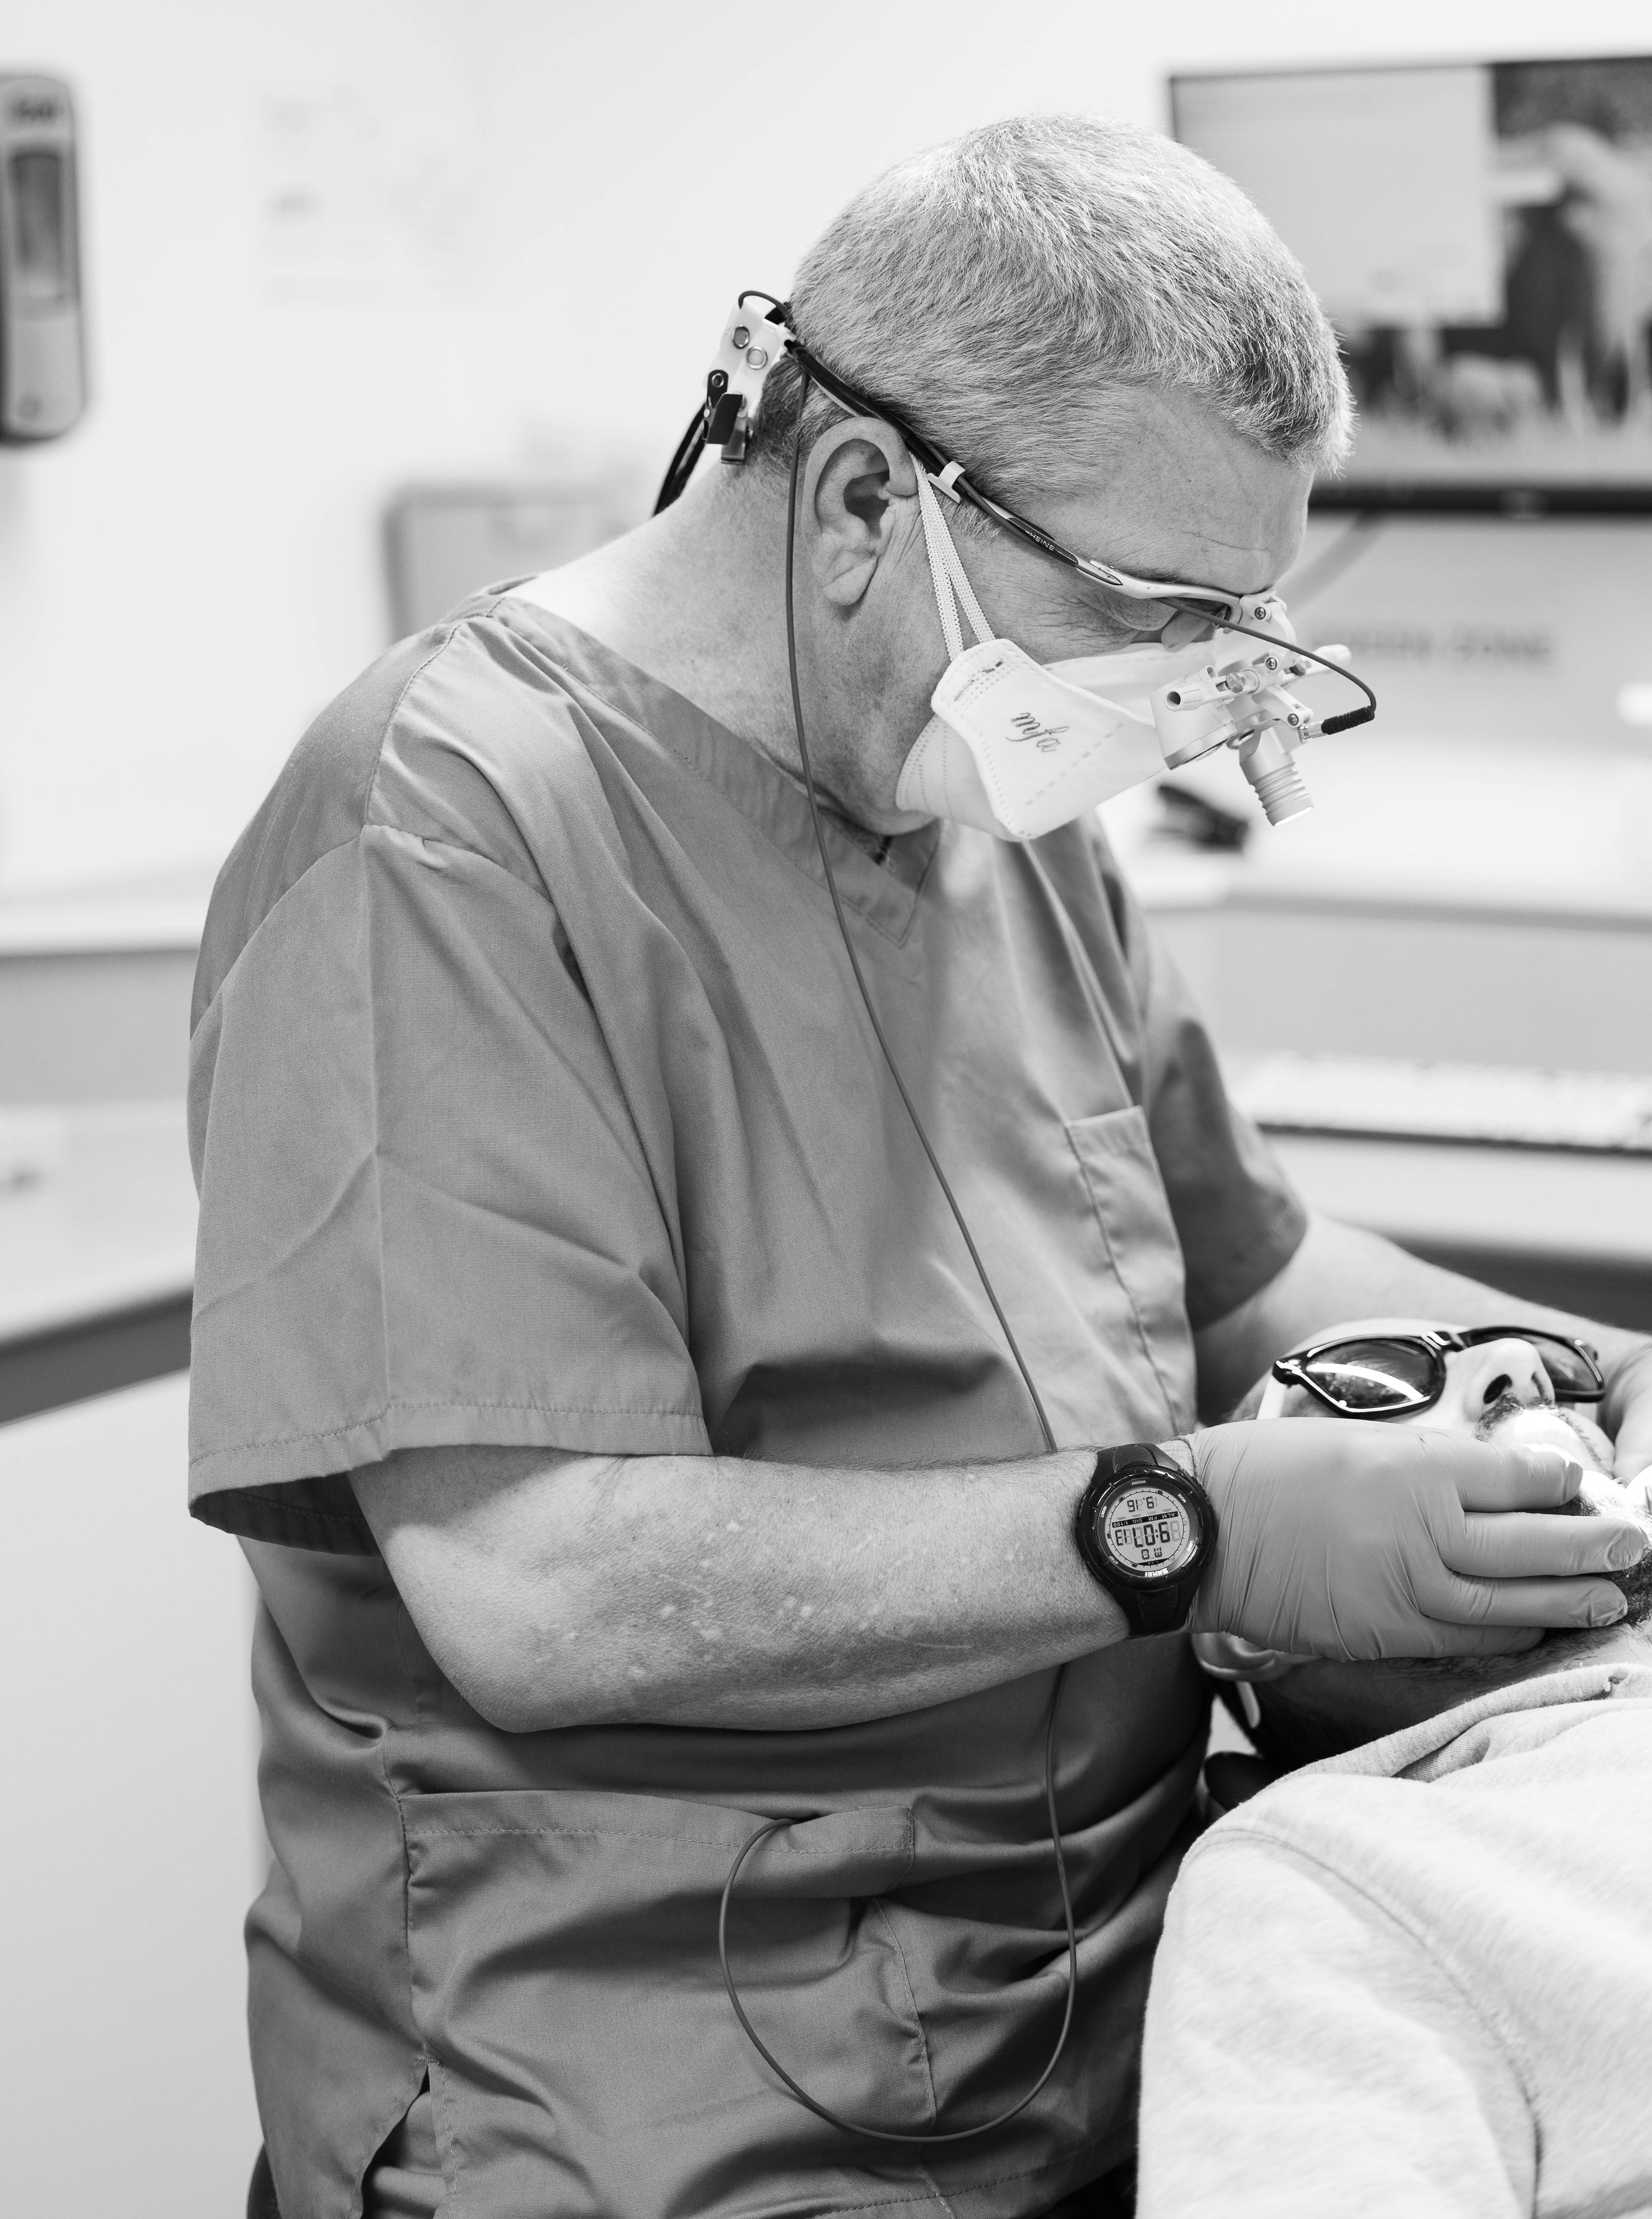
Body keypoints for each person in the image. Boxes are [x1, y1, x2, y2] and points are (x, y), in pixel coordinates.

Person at [188, 116, 1652, 2219]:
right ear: (874, 495)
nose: (1190, 696)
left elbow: (1249, 1265)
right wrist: (1192, 1529)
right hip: (645, 2109)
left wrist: (1593, 1365)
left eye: (1242, 629)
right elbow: (542, 1579)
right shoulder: (442, 830)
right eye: (1160, 614)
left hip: (1107, 2041)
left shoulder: (992, 810)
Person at [1138, 1325, 1652, 2219]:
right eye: (1373, 1380)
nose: (1519, 1371)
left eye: (1554, 1375)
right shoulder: (1321, 1869)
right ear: (1252, 1619)